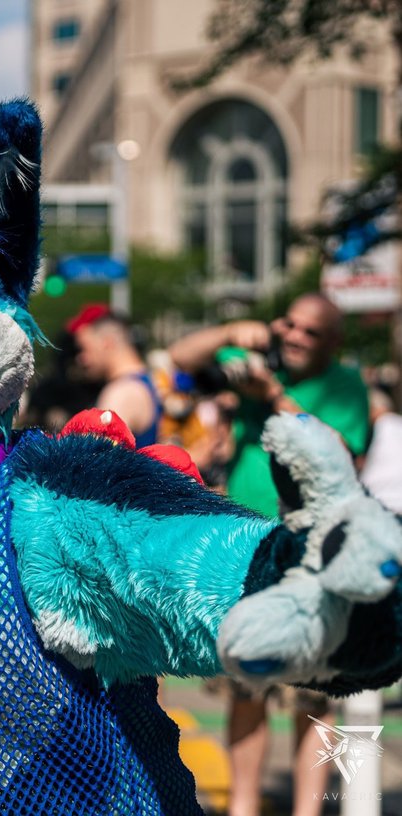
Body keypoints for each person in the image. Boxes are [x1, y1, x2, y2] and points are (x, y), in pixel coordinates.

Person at [168, 293, 370, 816]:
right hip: (247, 551)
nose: (296, 338)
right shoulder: (260, 359)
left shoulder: (344, 384)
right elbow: (182, 359)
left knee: (314, 695)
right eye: (290, 326)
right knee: (246, 685)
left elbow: (338, 452)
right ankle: (243, 806)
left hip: (314, 558)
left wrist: (274, 394)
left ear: (334, 343)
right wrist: (234, 331)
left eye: (311, 332)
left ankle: (308, 809)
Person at [69, 303, 162, 446]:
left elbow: (96, 462)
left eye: (84, 348)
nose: (81, 359)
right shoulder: (151, 380)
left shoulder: (120, 393)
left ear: (107, 342)